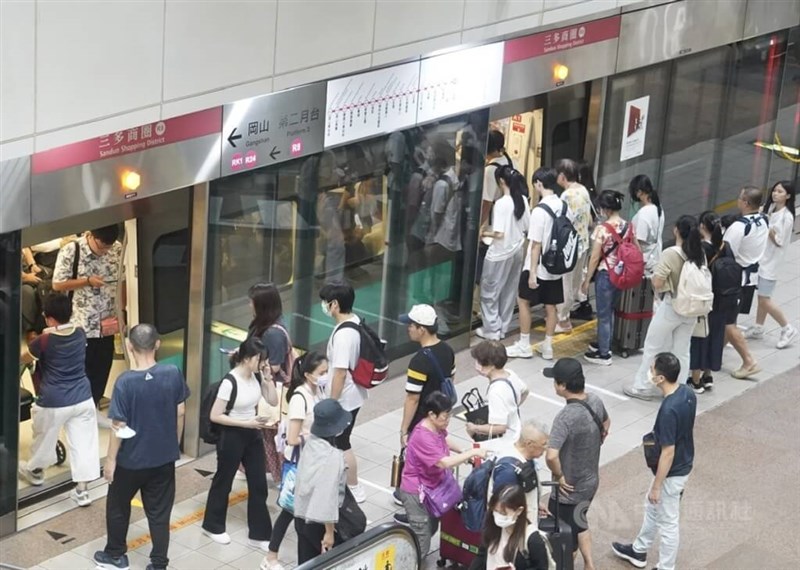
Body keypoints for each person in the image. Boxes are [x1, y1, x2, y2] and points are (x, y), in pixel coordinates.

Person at [93, 324, 189, 570]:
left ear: (129, 346)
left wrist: (111, 460)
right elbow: (180, 411)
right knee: (159, 512)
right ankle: (158, 563)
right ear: (157, 344)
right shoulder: (172, 372)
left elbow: (119, 425)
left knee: (117, 505)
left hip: (130, 460)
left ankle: (115, 555)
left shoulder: (125, 382)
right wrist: (173, 444)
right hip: (163, 459)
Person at [612, 352, 697, 570]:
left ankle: (666, 567)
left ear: (660, 378)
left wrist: (657, 486)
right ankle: (639, 550)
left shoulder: (669, 409)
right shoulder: (687, 393)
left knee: (668, 522)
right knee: (651, 508)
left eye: (652, 370)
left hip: (672, 471)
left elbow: (668, 451)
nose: (649, 373)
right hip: (684, 462)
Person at [18, 293, 99, 506]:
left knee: (43, 439)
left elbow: (24, 358)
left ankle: (35, 471)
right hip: (83, 397)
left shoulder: (42, 341)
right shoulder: (81, 333)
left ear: (50, 318)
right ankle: (82, 491)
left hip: (54, 400)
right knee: (84, 443)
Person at [202, 337, 278, 550]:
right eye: (259, 359)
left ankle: (259, 533)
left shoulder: (255, 377)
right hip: (232, 434)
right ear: (246, 358)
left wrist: (267, 378)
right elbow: (215, 415)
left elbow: (272, 400)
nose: (262, 363)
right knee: (223, 481)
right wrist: (246, 423)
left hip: (252, 432)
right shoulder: (230, 382)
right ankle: (212, 525)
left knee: (258, 483)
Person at [624, 215, 705, 400]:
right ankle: (679, 389)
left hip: (672, 306)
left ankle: (642, 386)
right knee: (682, 351)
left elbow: (658, 281)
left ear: (676, 230)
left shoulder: (672, 253)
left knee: (653, 346)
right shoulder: (700, 254)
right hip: (692, 309)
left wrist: (656, 281)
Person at [399, 391, 488, 558]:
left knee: (430, 527)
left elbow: (444, 440)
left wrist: (463, 450)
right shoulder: (422, 436)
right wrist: (469, 454)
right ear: (432, 414)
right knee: (422, 538)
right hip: (416, 493)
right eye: (445, 417)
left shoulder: (436, 427)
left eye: (449, 417)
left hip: (431, 488)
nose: (447, 421)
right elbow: (443, 462)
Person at [262, 352, 326, 570]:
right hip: (301, 463)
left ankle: (275, 554)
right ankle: (271, 556)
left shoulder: (318, 391)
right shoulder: (300, 397)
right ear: (308, 374)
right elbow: (292, 437)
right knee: (290, 509)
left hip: (315, 460)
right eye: (322, 373)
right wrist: (315, 436)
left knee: (294, 510)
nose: (325, 376)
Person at [545, 358, 609, 570]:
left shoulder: (565, 417)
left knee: (565, 539)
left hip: (568, 489)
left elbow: (551, 455)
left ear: (563, 385)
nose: (553, 385)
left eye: (555, 381)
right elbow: (606, 423)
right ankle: (589, 564)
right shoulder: (595, 401)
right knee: (579, 519)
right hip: (590, 482)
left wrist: (559, 476)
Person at [52, 225, 123, 417]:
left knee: (102, 367)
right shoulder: (71, 250)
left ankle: (92, 405)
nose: (104, 252)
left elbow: (121, 280)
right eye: (100, 247)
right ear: (89, 235)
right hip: (80, 323)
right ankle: (77, 409)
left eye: (107, 248)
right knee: (81, 370)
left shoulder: (117, 248)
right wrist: (87, 281)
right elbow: (57, 283)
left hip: (106, 323)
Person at [395, 304, 455, 511]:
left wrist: (404, 429)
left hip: (422, 418)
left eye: (411, 325)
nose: (408, 329)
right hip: (439, 415)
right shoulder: (447, 350)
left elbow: (412, 398)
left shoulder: (419, 360)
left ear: (422, 329)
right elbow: (451, 379)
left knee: (415, 460)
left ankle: (413, 499)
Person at [508, 167, 564, 360]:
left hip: (538, 266)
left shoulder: (540, 210)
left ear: (539, 183)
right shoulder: (563, 205)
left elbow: (535, 245)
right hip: (556, 266)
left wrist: (532, 273)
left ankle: (524, 344)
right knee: (551, 306)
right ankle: (548, 347)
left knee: (523, 301)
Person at [319, 281, 367, 502]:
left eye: (325, 302)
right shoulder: (355, 321)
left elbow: (339, 373)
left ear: (335, 304)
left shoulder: (343, 336)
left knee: (342, 442)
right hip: (354, 394)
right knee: (340, 442)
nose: (324, 306)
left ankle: (354, 487)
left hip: (344, 398)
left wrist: (332, 403)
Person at [293, 399, 351, 564]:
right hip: (319, 522)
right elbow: (327, 497)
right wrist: (329, 533)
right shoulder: (333, 457)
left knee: (305, 562)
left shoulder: (310, 442)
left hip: (301, 514)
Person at [477, 165, 530, 341]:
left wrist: (483, 232)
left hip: (499, 253)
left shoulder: (501, 204)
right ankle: (502, 328)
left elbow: (499, 234)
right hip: (517, 250)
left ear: (501, 181)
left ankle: (491, 330)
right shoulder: (522, 199)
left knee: (489, 291)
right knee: (509, 290)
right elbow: (527, 227)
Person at [723, 186, 769, 379]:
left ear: (746, 203)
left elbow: (726, 251)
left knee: (728, 321)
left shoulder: (739, 227)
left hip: (736, 278)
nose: (738, 200)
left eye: (740, 197)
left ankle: (749, 360)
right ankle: (717, 349)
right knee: (731, 317)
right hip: (751, 277)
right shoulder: (764, 220)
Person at [745, 181, 797, 349]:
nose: (775, 194)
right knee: (762, 297)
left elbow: (779, 241)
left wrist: (767, 227)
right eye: (775, 190)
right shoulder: (771, 209)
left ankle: (787, 328)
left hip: (770, 264)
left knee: (765, 299)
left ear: (788, 196)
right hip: (762, 260)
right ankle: (759, 327)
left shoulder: (786, 217)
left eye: (780, 192)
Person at [581, 190, 629, 365]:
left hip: (605, 274)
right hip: (621, 273)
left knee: (603, 314)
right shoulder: (628, 226)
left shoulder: (602, 229)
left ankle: (604, 354)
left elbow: (594, 257)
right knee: (611, 311)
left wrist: (586, 280)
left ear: (606, 209)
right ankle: (605, 342)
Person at [688, 211, 734, 393]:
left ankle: (696, 379)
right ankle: (708, 375)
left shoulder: (702, 249)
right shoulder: (725, 246)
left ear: (701, 227)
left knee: (700, 338)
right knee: (715, 336)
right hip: (723, 299)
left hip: (706, 300)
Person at [469, 484, 554, 570]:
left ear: (519, 511)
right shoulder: (493, 527)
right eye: (495, 511)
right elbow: (480, 557)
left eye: (503, 513)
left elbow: (541, 567)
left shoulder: (532, 539)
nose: (498, 516)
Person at [466, 341, 529, 450]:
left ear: (490, 365)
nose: (477, 364)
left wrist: (474, 428)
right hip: (516, 432)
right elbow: (525, 390)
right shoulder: (510, 373)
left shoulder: (496, 391)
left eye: (479, 361)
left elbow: (500, 428)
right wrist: (512, 408)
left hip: (505, 444)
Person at [555, 159, 593, 333]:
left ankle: (563, 321)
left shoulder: (566, 196)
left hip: (570, 247)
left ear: (562, 176)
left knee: (565, 284)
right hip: (583, 244)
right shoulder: (583, 190)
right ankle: (566, 316)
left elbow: (564, 221)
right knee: (574, 282)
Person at [492, 420, 550, 522]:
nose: (546, 448)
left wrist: (535, 503)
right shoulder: (507, 471)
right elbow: (501, 508)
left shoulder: (527, 459)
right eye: (543, 444)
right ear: (529, 443)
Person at [629, 175, 665, 276]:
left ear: (639, 192)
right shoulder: (659, 209)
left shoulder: (643, 214)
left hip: (645, 265)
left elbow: (638, 244)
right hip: (656, 259)